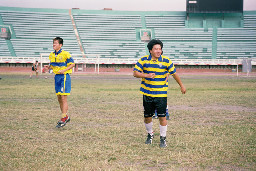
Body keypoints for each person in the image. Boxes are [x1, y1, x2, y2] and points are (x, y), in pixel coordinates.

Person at [133, 39, 186, 148]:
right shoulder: (143, 60)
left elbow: (174, 74)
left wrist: (181, 85)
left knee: (162, 117)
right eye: (156, 49)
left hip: (161, 94)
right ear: (150, 50)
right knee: (147, 117)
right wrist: (146, 75)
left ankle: (163, 138)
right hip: (147, 93)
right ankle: (150, 134)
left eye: (160, 49)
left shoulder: (166, 61)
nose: (158, 51)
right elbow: (135, 73)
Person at [47, 37, 75, 128]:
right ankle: (65, 116)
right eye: (53, 43)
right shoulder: (51, 55)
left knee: (63, 97)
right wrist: (48, 67)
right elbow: (53, 66)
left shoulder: (65, 54)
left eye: (55, 43)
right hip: (57, 77)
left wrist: (64, 70)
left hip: (64, 77)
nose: (53, 45)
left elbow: (72, 64)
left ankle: (63, 118)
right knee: (59, 98)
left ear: (60, 45)